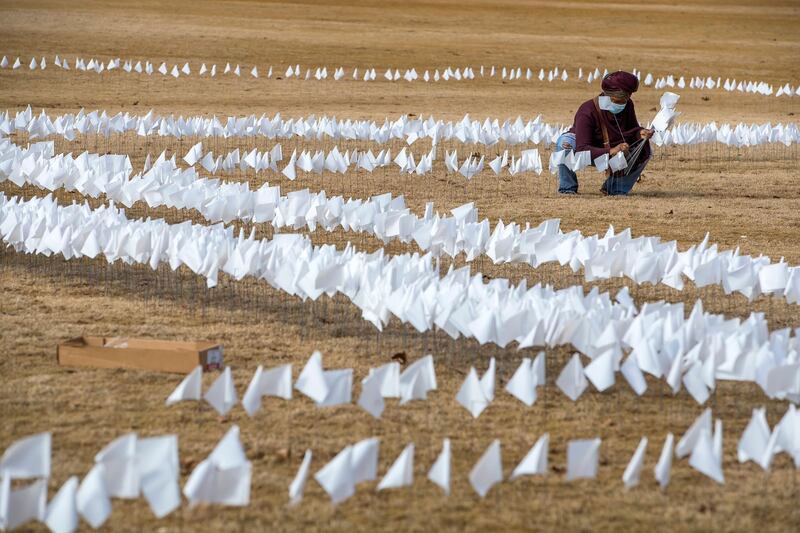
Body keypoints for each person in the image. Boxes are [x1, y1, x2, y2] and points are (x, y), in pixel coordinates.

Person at [556, 71, 654, 195]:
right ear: (606, 96)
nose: (621, 104)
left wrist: (640, 133)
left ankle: (615, 189)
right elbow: (582, 148)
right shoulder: (587, 110)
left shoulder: (627, 105)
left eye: (625, 100)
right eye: (617, 101)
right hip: (589, 151)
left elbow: (631, 130)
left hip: (616, 150)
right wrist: (611, 151)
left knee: (646, 149)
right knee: (564, 143)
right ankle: (567, 188)